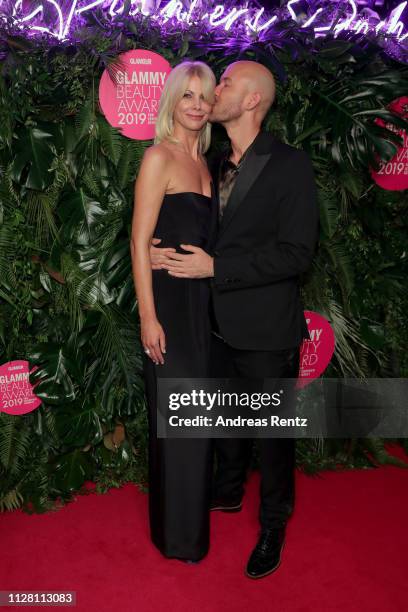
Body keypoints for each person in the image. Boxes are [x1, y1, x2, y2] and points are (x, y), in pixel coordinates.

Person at [151, 60, 319, 578]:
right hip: (211, 323)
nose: (214, 91)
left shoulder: (289, 164)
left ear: (250, 101)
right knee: (225, 423)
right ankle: (225, 493)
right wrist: (165, 253)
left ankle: (273, 524)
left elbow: (297, 254)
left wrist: (216, 267)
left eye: (225, 83)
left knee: (271, 439)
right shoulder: (214, 160)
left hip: (266, 329)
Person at [130, 61, 218, 562]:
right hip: (166, 304)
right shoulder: (158, 158)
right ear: (171, 102)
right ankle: (177, 537)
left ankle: (187, 527)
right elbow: (140, 241)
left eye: (204, 96)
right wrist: (148, 316)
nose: (197, 104)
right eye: (187, 95)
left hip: (205, 306)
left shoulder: (209, 165)